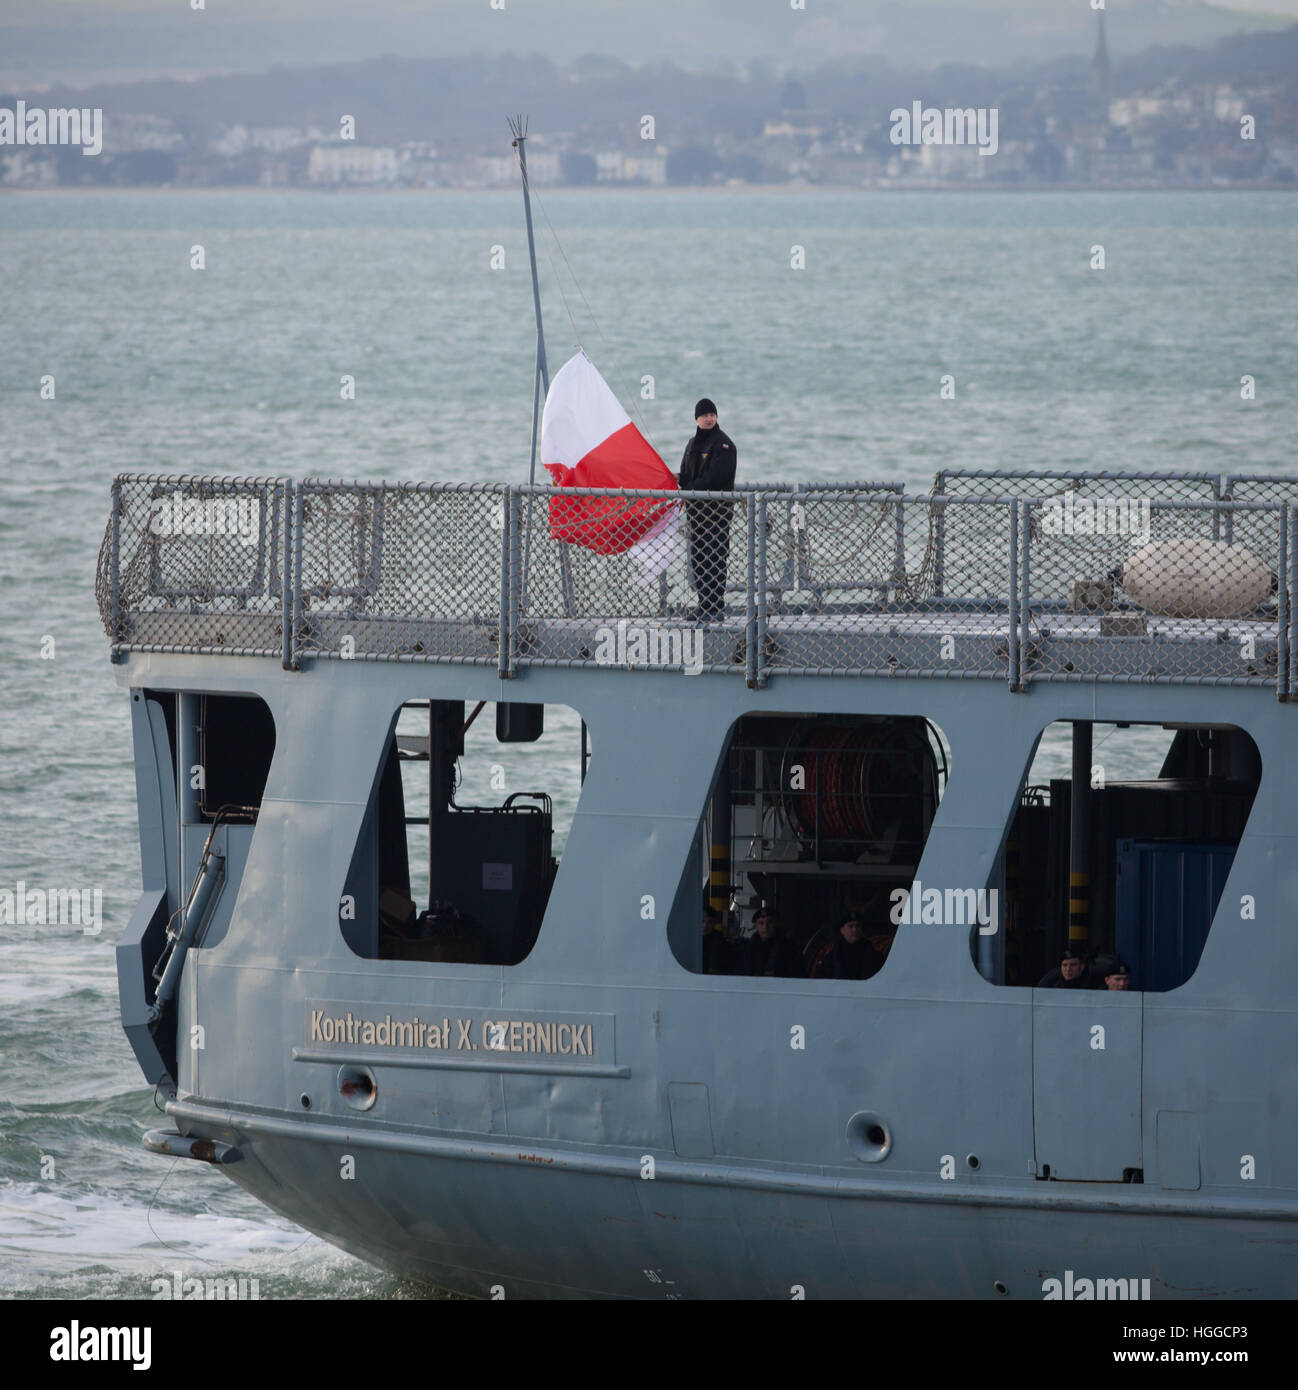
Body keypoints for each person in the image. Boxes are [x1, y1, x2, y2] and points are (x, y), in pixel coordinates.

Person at [678, 398, 737, 622]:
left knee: (716, 560)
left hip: (717, 515)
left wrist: (690, 489)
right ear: (697, 419)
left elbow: (717, 477)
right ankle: (704, 605)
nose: (709, 418)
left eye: (712, 414)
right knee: (699, 561)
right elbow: (687, 473)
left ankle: (716, 608)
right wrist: (679, 479)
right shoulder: (692, 444)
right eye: (704, 415)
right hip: (696, 515)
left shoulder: (724, 445)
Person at [740, 908, 801, 979]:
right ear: (755, 926)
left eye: (770, 922)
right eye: (761, 923)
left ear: (776, 924)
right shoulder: (749, 948)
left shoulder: (789, 948)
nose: (765, 927)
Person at [830, 916, 884, 980]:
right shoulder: (834, 950)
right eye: (850, 926)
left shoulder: (869, 947)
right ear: (842, 930)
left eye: (858, 926)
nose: (855, 930)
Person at [702, 906, 730, 975]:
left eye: (709, 922)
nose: (705, 925)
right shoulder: (690, 939)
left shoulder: (719, 942)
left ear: (714, 923)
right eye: (702, 921)